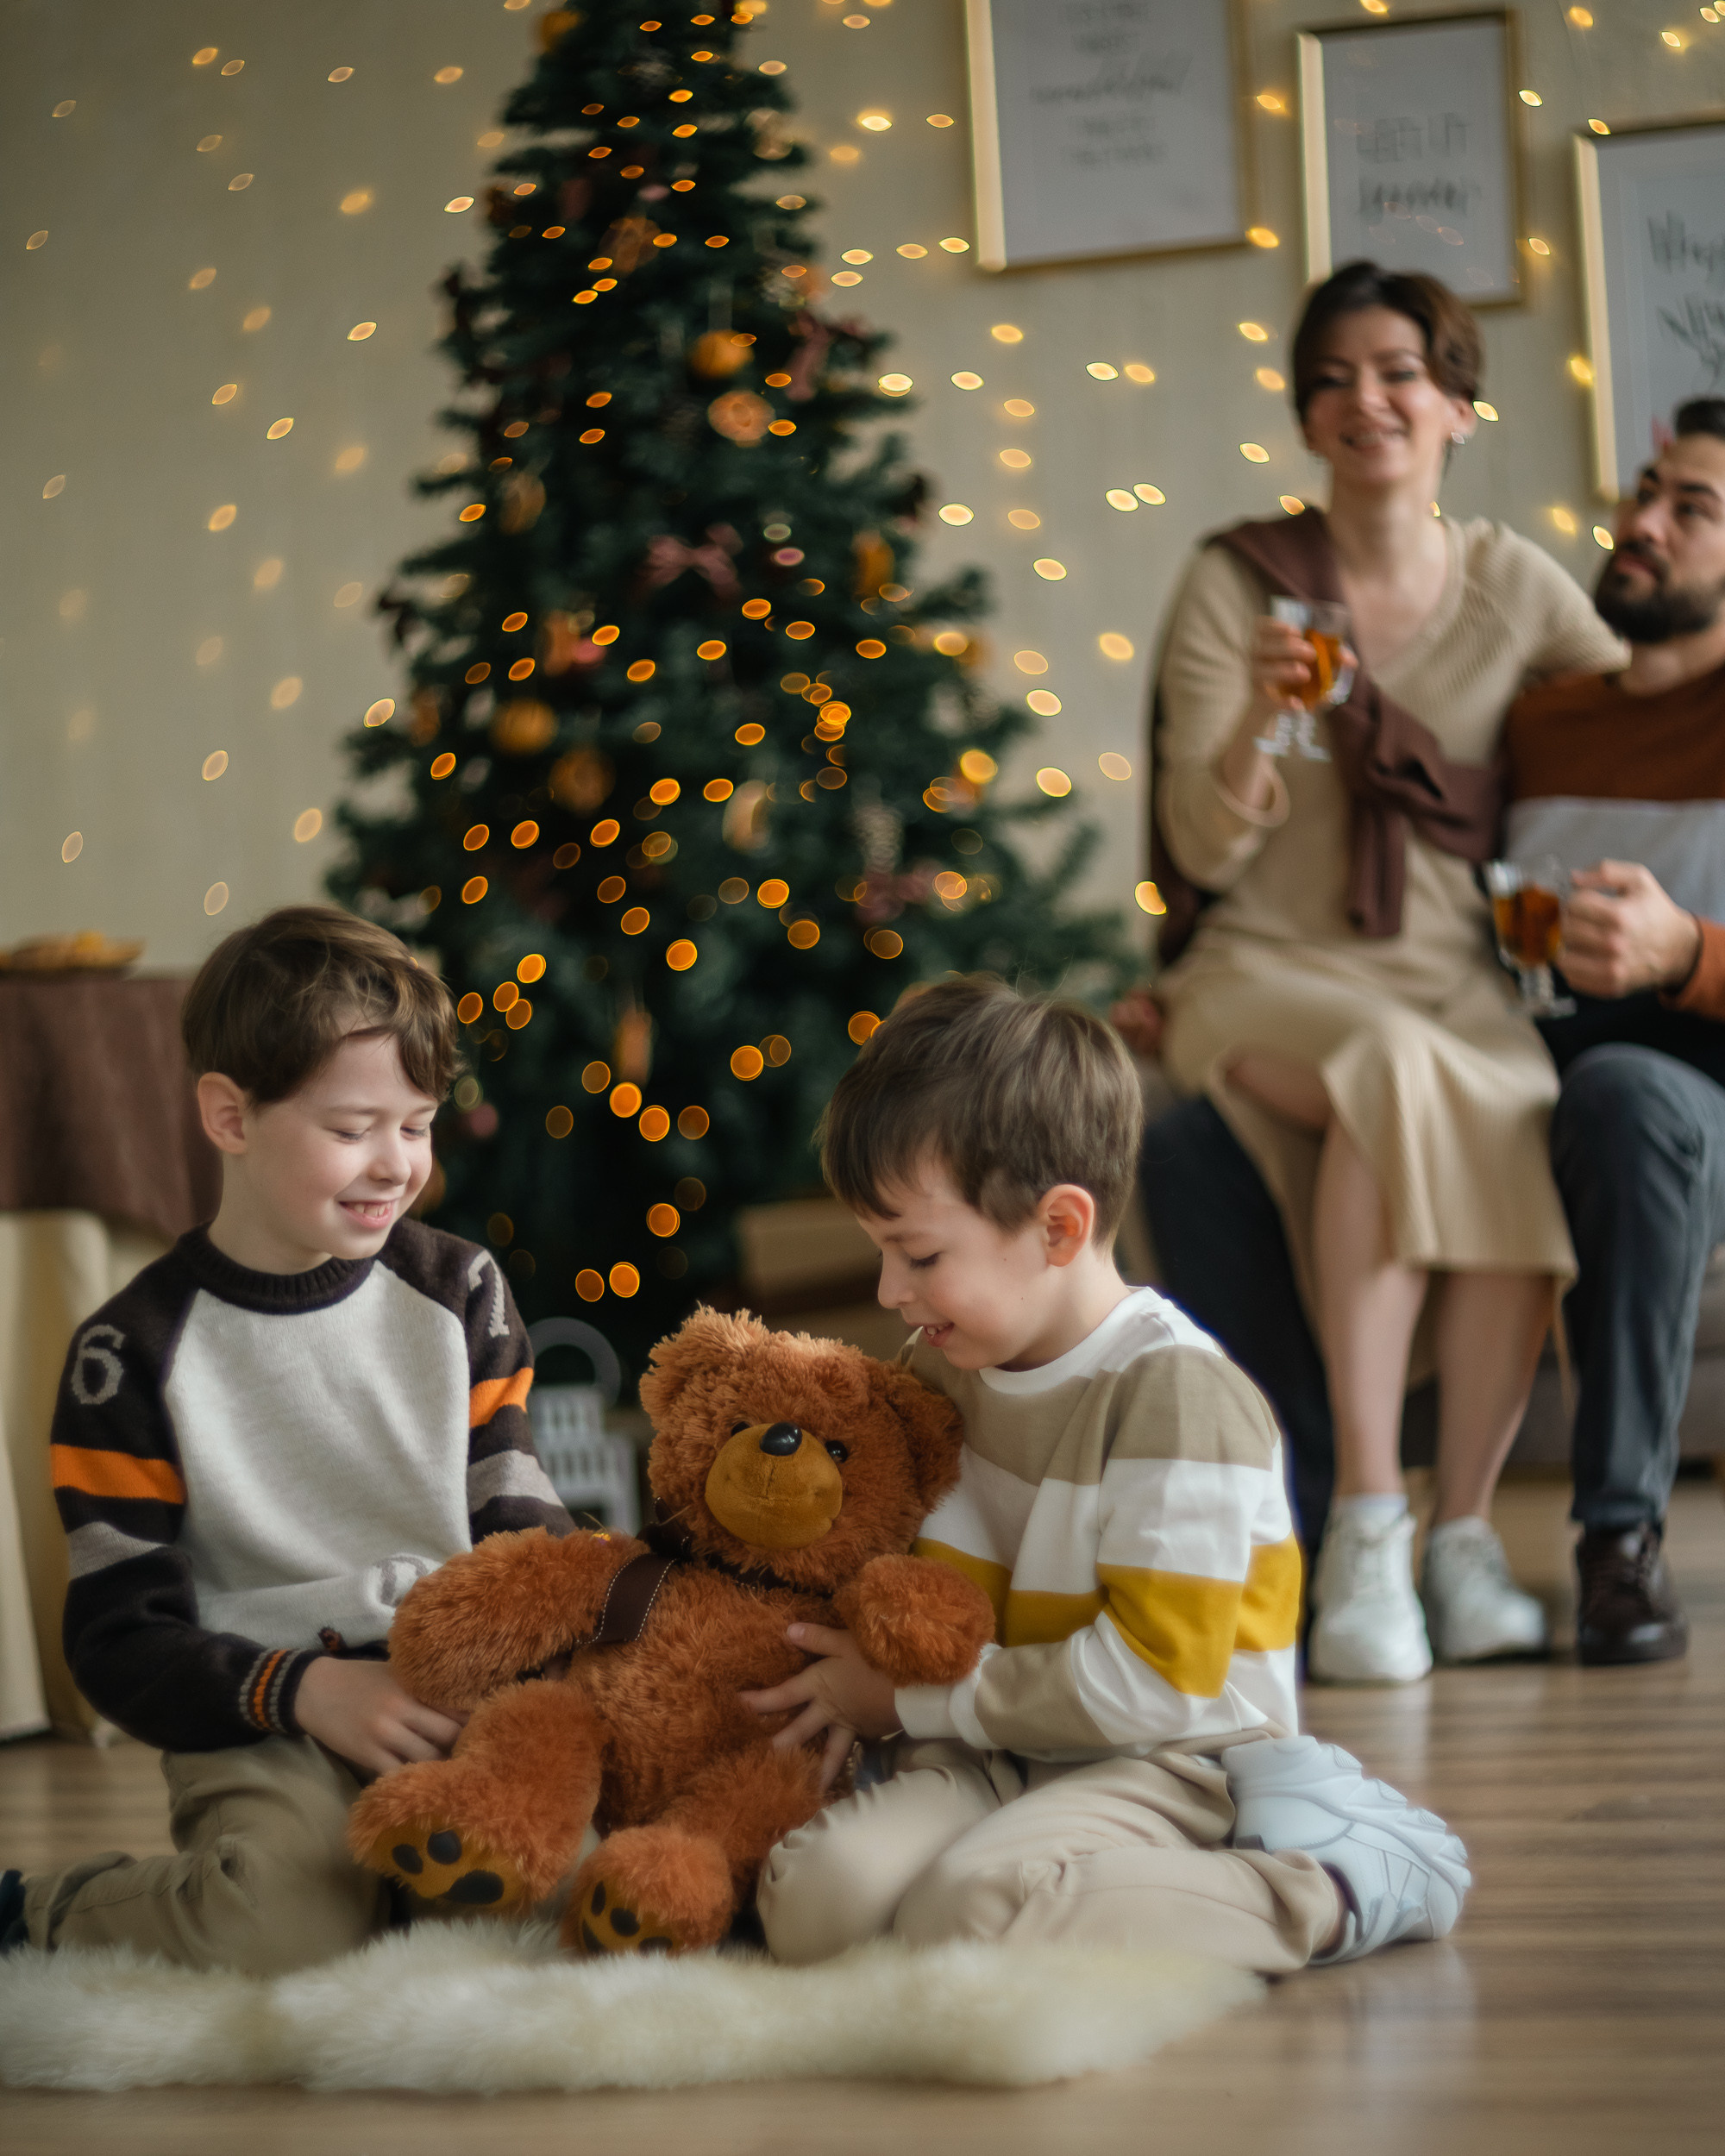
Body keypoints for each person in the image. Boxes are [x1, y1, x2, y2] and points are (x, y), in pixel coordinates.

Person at [1138, 399, 1725, 1669]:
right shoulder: (1552, 706)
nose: (1642, 523)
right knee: (1194, 1151)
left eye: (1695, 509)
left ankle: (1608, 1540)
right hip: (1497, 1021)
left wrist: (1689, 952)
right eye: (1646, 492)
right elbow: (1381, 799)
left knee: (1600, 1099)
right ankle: (1319, 1544)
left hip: (1672, 1065)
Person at [747, 978, 1470, 1977]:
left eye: (914, 1253)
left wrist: (908, 1706)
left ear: (1056, 1227)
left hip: (1172, 1758)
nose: (888, 1293)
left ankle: (1329, 1885)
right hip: (998, 1746)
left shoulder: (1172, 1393)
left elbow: (1153, 1690)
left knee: (970, 1915)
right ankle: (1024, 1875)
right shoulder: (946, 1370)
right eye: (880, 1254)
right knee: (811, 1904)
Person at [0, 907, 572, 1971]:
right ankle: (46, 1910)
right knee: (276, 1927)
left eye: (417, 1123)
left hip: (457, 1692)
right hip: (262, 1717)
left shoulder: (462, 1293)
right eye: (353, 1128)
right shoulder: (125, 1354)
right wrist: (301, 1690)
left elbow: (519, 1523)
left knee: (543, 1891)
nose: (395, 1164)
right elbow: (116, 1643)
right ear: (228, 1116)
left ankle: (395, 1893)